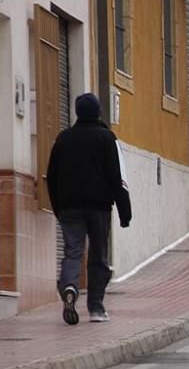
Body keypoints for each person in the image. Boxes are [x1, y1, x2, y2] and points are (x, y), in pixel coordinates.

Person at [46, 93, 132, 325]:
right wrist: (125, 212)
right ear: (97, 112)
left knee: (72, 252)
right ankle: (96, 308)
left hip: (69, 207)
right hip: (99, 208)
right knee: (98, 256)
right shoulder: (106, 138)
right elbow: (117, 177)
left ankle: (70, 287)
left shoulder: (63, 139)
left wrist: (58, 206)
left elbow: (51, 176)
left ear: (77, 112)